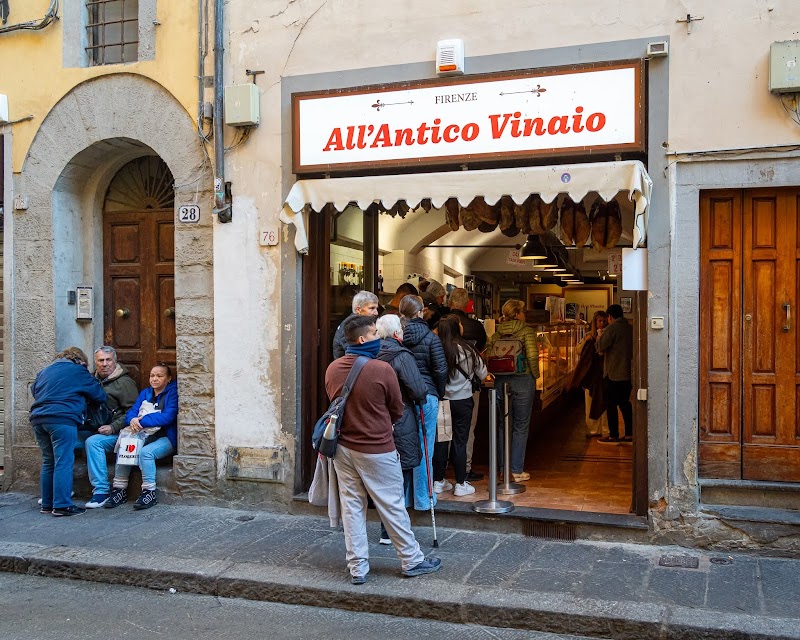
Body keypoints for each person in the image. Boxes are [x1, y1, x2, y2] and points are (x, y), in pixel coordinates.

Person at [326, 315, 441, 584]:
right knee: (392, 504)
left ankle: (358, 567)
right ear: (363, 339)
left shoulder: (332, 369)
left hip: (343, 447)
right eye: (376, 333)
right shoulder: (381, 370)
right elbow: (397, 409)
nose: (380, 338)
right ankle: (412, 560)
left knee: (352, 507)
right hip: (377, 447)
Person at [30, 347, 106, 517]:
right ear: (80, 360)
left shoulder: (45, 371)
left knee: (48, 461)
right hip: (62, 419)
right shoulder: (78, 371)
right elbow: (99, 395)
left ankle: (47, 504)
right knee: (63, 461)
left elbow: (34, 390)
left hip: (38, 419)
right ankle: (62, 505)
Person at [376, 314, 427, 544]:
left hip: (375, 419)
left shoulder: (370, 353)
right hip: (400, 418)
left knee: (381, 473)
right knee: (401, 472)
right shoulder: (402, 355)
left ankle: (385, 526)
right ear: (398, 333)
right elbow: (417, 390)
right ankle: (393, 528)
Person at [104, 364, 178, 510]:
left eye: (159, 376)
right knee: (126, 447)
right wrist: (132, 420)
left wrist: (141, 421)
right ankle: (119, 490)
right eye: (152, 375)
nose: (155, 379)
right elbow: (132, 411)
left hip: (165, 437)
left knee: (146, 453)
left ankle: (149, 492)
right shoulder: (145, 393)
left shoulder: (173, 393)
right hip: (142, 434)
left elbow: (168, 416)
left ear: (168, 378)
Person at [399, 294, 448, 511]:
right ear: (421, 312)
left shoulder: (398, 337)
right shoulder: (431, 338)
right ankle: (423, 498)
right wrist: (440, 391)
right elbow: (440, 369)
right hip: (426, 395)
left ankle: (406, 497)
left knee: (405, 447)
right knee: (425, 447)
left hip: (403, 398)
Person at [433, 315, 488, 497]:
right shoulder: (468, 350)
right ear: (457, 329)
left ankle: (439, 481)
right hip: (463, 401)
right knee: (460, 441)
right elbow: (482, 373)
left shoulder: (437, 349)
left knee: (442, 440)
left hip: (443, 401)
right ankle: (460, 483)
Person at [485, 299, 539, 482]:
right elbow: (532, 355)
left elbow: (489, 357)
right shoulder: (527, 331)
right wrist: (536, 376)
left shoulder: (496, 333)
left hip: (501, 381)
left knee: (503, 425)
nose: (524, 315)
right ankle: (516, 469)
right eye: (522, 312)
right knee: (521, 425)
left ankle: (503, 469)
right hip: (523, 380)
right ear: (517, 314)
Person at [83, 347, 140, 508]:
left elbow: (133, 413)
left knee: (93, 442)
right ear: (95, 362)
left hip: (118, 434)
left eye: (108, 360)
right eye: (101, 360)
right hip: (92, 426)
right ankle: (61, 489)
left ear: (115, 361)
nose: (105, 364)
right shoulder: (92, 380)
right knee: (68, 440)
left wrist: (113, 427)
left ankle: (101, 491)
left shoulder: (124, 383)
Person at [447, 287, 487, 481]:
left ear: (449, 303)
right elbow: (482, 355)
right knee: (466, 431)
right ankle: (465, 469)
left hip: (443, 390)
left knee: (443, 431)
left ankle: (441, 472)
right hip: (468, 388)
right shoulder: (476, 327)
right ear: (467, 304)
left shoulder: (440, 324)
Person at [596, 304, 633, 443]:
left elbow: (600, 347)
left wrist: (600, 336)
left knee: (610, 404)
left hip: (613, 373)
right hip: (627, 372)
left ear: (610, 316)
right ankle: (629, 434)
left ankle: (613, 435)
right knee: (624, 403)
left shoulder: (612, 328)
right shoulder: (630, 328)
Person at [569, 311, 609, 438]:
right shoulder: (588, 335)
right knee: (590, 403)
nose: (602, 324)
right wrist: (586, 340)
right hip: (590, 375)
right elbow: (577, 351)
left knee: (604, 403)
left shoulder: (609, 335)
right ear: (594, 322)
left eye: (604, 321)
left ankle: (605, 430)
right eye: (599, 321)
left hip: (604, 374)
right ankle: (593, 430)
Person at [332, 290, 379, 359]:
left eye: (376, 308)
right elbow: (352, 356)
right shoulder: (350, 326)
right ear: (358, 309)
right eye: (372, 308)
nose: (376, 313)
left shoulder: (359, 324)